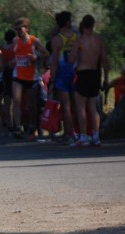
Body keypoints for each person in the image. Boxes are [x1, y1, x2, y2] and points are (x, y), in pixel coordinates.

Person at [68, 15, 109, 147]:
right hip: (95, 74)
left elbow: (71, 59)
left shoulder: (79, 41)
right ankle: (96, 136)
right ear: (93, 25)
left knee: (80, 107)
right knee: (93, 108)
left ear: (82, 25)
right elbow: (104, 61)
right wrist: (106, 79)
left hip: (83, 73)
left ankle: (83, 136)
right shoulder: (99, 41)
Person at [10, 17, 49, 139]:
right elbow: (15, 56)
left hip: (31, 77)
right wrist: (12, 61)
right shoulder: (15, 41)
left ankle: (32, 126)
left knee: (31, 105)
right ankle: (17, 127)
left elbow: (46, 54)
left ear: (26, 28)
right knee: (16, 100)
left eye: (20, 29)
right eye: (16, 29)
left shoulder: (34, 41)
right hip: (18, 75)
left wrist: (35, 57)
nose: (18, 31)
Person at [49, 11, 77, 141]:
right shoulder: (77, 37)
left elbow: (54, 63)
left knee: (66, 106)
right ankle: (80, 133)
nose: (71, 22)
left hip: (62, 74)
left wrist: (52, 80)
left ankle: (69, 133)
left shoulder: (57, 40)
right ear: (67, 22)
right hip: (76, 72)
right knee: (77, 105)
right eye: (70, 20)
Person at [0, 29, 16, 134]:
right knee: (16, 102)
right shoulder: (14, 47)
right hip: (14, 74)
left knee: (7, 102)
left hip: (5, 75)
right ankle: (15, 125)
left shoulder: (2, 48)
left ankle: (9, 125)